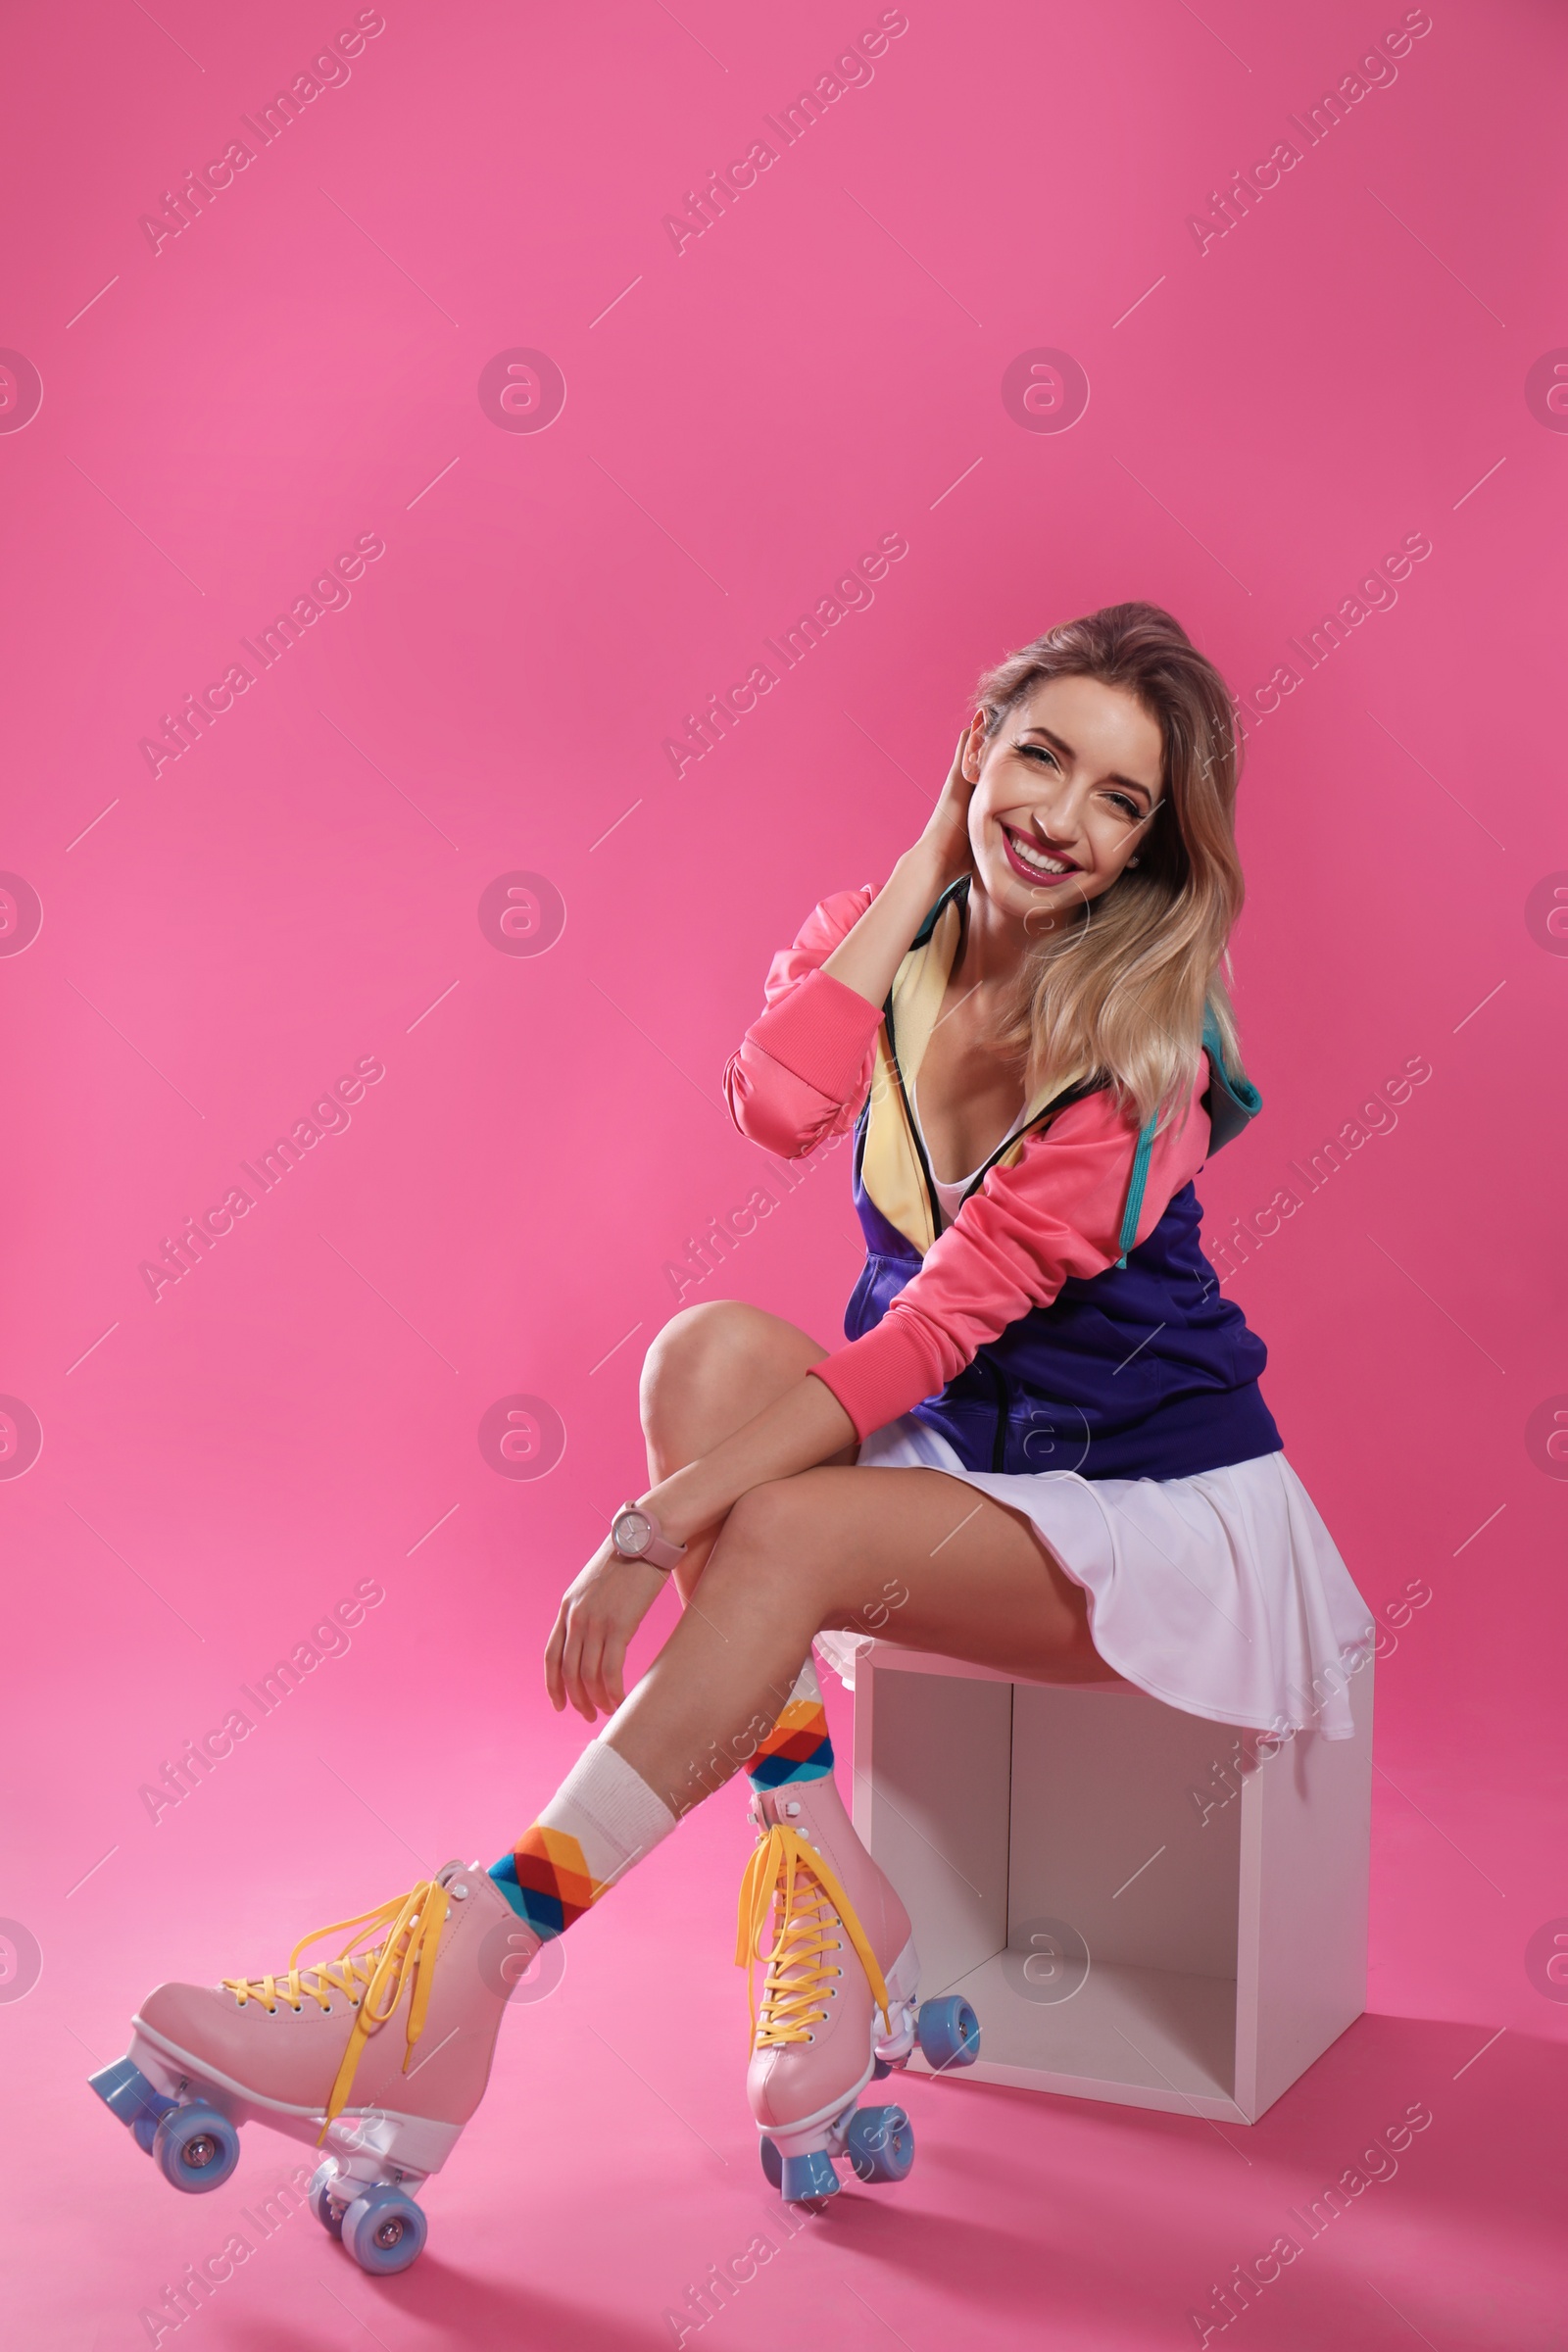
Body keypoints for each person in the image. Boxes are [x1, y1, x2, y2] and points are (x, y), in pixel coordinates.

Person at [93, 602, 1374, 2265]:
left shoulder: (1139, 1069)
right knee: (704, 1355)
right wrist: (926, 869)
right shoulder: (893, 938)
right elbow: (776, 1108)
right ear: (975, 749)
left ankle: (462, 1977)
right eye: (1036, 755)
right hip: (968, 1451)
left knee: (766, 1522)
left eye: (1118, 800)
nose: (1058, 818)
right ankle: (830, 1892)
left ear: (1154, 846)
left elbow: (918, 1340)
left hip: (1148, 1504)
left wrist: (646, 1532)